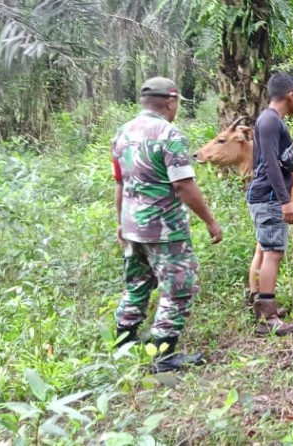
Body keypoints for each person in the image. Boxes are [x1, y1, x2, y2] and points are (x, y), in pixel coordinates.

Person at [112, 77, 223, 373]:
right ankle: (163, 355)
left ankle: (124, 341)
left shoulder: (123, 133)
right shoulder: (168, 134)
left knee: (136, 284)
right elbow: (184, 186)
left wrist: (120, 222)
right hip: (164, 229)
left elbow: (120, 183)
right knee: (178, 287)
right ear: (170, 102)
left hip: (132, 226)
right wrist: (211, 222)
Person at [245, 73, 293, 336]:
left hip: (266, 196)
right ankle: (267, 319)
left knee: (266, 249)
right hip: (268, 197)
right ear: (290, 94)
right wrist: (286, 201)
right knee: (273, 252)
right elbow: (269, 164)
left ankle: (259, 302)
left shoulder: (270, 120)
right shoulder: (270, 121)